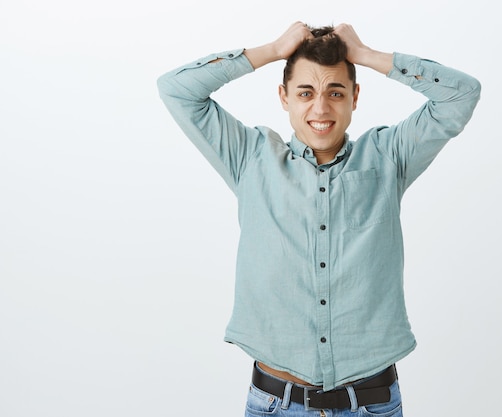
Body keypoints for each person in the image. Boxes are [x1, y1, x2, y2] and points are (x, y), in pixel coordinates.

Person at [157, 21, 480, 417]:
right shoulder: (250, 158)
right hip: (275, 404)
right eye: (305, 93)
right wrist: (274, 50)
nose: (321, 109)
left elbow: (461, 95)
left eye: (335, 92)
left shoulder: (388, 156)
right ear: (284, 97)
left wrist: (365, 56)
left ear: (354, 97)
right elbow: (176, 88)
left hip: (372, 404)